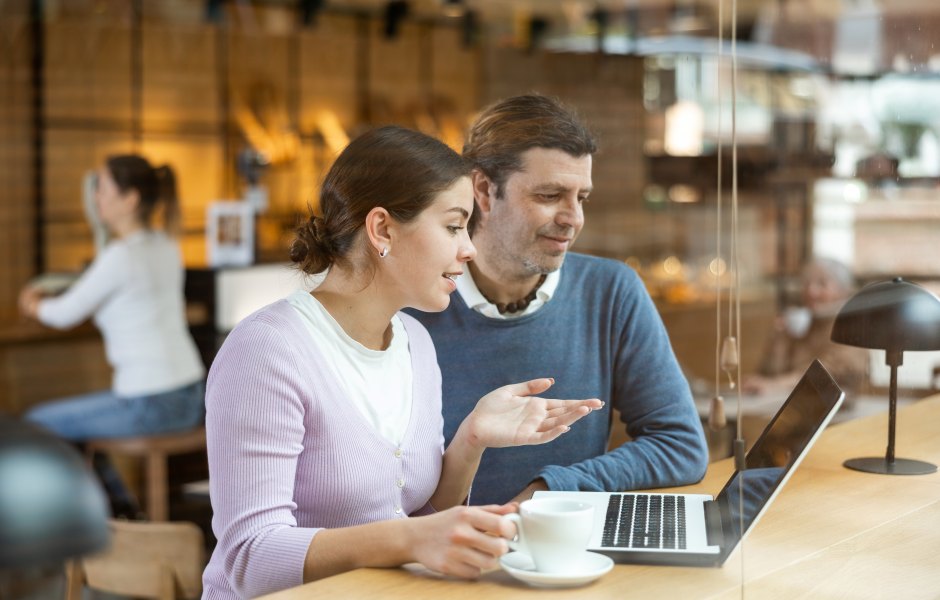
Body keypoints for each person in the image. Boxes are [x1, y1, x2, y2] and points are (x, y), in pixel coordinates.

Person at [201, 126, 602, 599]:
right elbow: (249, 558)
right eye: (454, 226)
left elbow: (417, 519)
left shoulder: (414, 341)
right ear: (382, 229)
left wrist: (472, 438)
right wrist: (410, 539)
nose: (468, 248)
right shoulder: (266, 352)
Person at [406, 94, 710, 506]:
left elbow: (680, 445)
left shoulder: (611, 291)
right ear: (483, 190)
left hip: (563, 551)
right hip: (440, 554)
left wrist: (550, 491)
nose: (573, 219)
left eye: (581, 197)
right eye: (550, 196)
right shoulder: (410, 307)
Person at [18, 155, 206, 513]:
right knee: (79, 432)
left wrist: (32, 304)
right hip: (191, 395)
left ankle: (113, 519)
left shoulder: (121, 257)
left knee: (35, 423)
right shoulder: (165, 245)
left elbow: (63, 314)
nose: (95, 198)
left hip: (149, 403)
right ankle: (120, 513)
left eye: (101, 188)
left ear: (130, 199)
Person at [743, 257, 869, 401]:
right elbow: (768, 374)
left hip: (839, 412)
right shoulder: (804, 324)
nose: (811, 292)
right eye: (806, 284)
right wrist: (779, 340)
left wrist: (775, 384)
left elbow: (825, 375)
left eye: (821, 284)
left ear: (843, 291)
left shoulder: (851, 329)